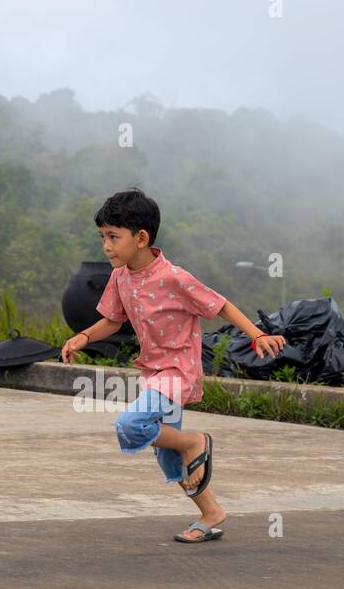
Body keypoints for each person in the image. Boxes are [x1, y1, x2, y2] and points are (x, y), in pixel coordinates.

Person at [60, 188, 286, 544]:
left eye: (113, 237)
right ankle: (211, 513)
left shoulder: (174, 277)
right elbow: (113, 320)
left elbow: (220, 305)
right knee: (168, 456)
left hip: (178, 371)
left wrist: (257, 335)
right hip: (153, 373)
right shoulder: (120, 277)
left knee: (131, 425)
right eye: (103, 236)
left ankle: (195, 441)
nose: (106, 245)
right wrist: (83, 337)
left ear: (141, 238)